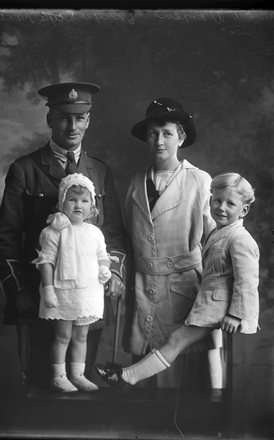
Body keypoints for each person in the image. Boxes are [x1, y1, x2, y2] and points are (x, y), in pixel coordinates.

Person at [0, 82, 126, 388]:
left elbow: (114, 234)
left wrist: (114, 271)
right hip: (42, 300)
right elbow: (7, 239)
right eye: (65, 117)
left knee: (82, 386)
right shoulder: (25, 170)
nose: (72, 126)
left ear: (89, 121)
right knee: (42, 388)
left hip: (87, 298)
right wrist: (19, 291)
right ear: (50, 119)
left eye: (80, 118)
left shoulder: (101, 172)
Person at [96, 172, 260, 392]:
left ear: (244, 210)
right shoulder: (219, 233)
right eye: (217, 201)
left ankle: (127, 377)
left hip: (218, 309)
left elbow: (247, 282)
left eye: (230, 204)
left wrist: (236, 314)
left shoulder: (240, 239)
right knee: (174, 340)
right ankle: (127, 376)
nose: (221, 207)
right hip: (208, 304)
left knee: (175, 340)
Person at [104, 97, 223, 389]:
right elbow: (128, 239)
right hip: (143, 287)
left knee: (184, 374)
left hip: (185, 290)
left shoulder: (199, 181)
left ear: (181, 137)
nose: (159, 141)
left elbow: (215, 243)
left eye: (167, 133)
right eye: (153, 134)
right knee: (145, 379)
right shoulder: (135, 183)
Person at [33, 173, 113, 392]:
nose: (79, 205)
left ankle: (78, 375)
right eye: (73, 199)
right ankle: (58, 376)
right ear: (61, 202)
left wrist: (105, 268)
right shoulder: (53, 232)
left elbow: (102, 255)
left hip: (86, 293)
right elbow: (46, 261)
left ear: (92, 206)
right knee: (63, 335)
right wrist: (48, 290)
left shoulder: (94, 232)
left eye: (85, 201)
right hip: (62, 293)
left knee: (82, 335)